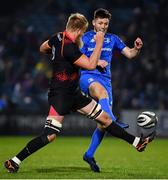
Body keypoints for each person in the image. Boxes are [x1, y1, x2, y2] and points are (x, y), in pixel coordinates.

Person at [4, 13, 153, 173]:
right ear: (78, 29)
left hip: (74, 94)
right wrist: (99, 43)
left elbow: (42, 48)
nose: (82, 35)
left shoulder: (57, 37)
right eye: (82, 32)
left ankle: (137, 142)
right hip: (60, 96)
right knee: (50, 135)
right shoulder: (70, 48)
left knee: (105, 119)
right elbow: (90, 65)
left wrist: (56, 57)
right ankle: (15, 160)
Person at [80, 8, 143, 172]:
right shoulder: (85, 37)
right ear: (93, 22)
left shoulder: (113, 39)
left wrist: (136, 48)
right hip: (87, 76)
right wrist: (96, 61)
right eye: (100, 23)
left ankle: (89, 154)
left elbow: (129, 54)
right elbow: (76, 59)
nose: (103, 26)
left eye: (106, 23)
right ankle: (114, 120)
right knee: (102, 94)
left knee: (103, 124)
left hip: (105, 81)